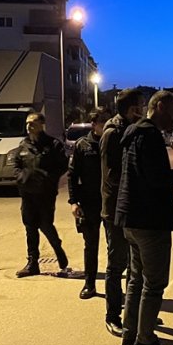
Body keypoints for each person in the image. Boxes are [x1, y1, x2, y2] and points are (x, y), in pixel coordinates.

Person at [115, 90, 173, 345]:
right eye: (172, 110)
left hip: (131, 218)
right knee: (154, 283)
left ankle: (129, 336)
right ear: (158, 107)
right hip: (149, 220)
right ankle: (145, 342)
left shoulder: (133, 133)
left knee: (136, 280)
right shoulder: (149, 136)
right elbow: (156, 178)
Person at [99, 88, 145, 336]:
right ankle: (113, 316)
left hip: (130, 207)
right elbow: (113, 175)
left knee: (134, 265)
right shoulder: (113, 133)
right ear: (130, 109)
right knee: (116, 265)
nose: (143, 110)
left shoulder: (130, 128)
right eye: (140, 106)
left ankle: (132, 314)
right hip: (116, 209)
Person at [12, 112, 70, 277]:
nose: (29, 126)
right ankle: (32, 263)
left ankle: (57, 247)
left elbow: (63, 165)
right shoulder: (23, 145)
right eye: (27, 123)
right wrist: (21, 178)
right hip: (28, 193)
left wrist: (48, 178)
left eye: (32, 123)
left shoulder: (53, 144)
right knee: (30, 227)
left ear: (41, 125)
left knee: (45, 224)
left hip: (45, 193)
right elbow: (16, 164)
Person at [68, 108, 110, 299]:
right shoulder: (82, 145)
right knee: (90, 246)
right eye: (102, 122)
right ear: (94, 124)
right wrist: (74, 202)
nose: (106, 126)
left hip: (110, 202)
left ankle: (113, 288)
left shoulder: (113, 142)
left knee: (115, 248)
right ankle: (89, 284)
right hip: (89, 203)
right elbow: (72, 175)